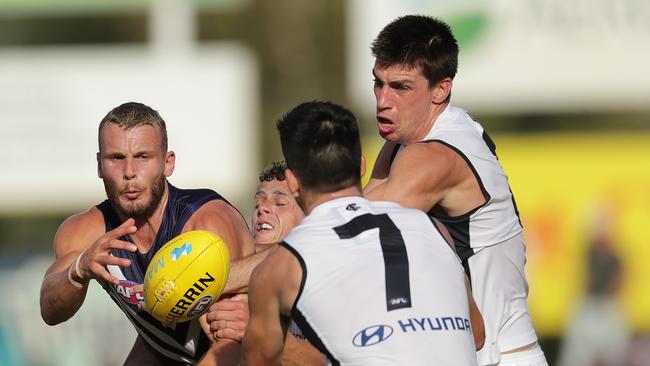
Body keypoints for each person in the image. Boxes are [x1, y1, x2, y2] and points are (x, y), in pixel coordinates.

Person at [241, 100, 484, 365]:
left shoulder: (281, 263)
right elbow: (477, 334)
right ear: (360, 166)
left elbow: (263, 360)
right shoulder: (433, 228)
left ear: (292, 181)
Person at [363, 15, 547, 365]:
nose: (383, 100)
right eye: (378, 83)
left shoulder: (434, 156)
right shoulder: (403, 142)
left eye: (401, 87)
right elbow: (345, 215)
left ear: (440, 89)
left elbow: (337, 236)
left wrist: (234, 276)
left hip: (499, 356)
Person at [39, 102, 255, 365]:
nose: (129, 172)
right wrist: (80, 269)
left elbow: (232, 345)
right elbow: (50, 311)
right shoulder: (84, 232)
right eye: (116, 158)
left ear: (168, 163)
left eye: (143, 157)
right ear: (99, 165)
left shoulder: (205, 223)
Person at [206, 162, 325, 365]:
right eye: (257, 204)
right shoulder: (230, 268)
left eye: (279, 203)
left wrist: (260, 332)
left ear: (309, 218)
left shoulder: (323, 274)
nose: (262, 209)